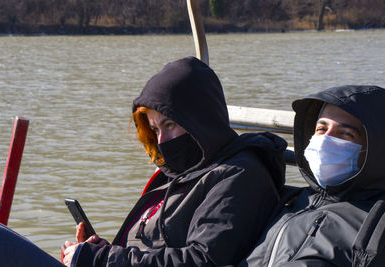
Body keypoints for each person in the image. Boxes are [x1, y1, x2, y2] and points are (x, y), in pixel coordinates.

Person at [62, 56, 287, 266]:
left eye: (169, 125)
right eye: (154, 129)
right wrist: (98, 251)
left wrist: (103, 259)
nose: (162, 141)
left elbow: (203, 260)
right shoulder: (177, 172)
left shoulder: (240, 175)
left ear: (200, 119)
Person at [239, 85, 385, 266]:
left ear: (378, 151)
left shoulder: (380, 224)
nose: (325, 140)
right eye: (321, 129)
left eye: (345, 133)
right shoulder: (293, 200)